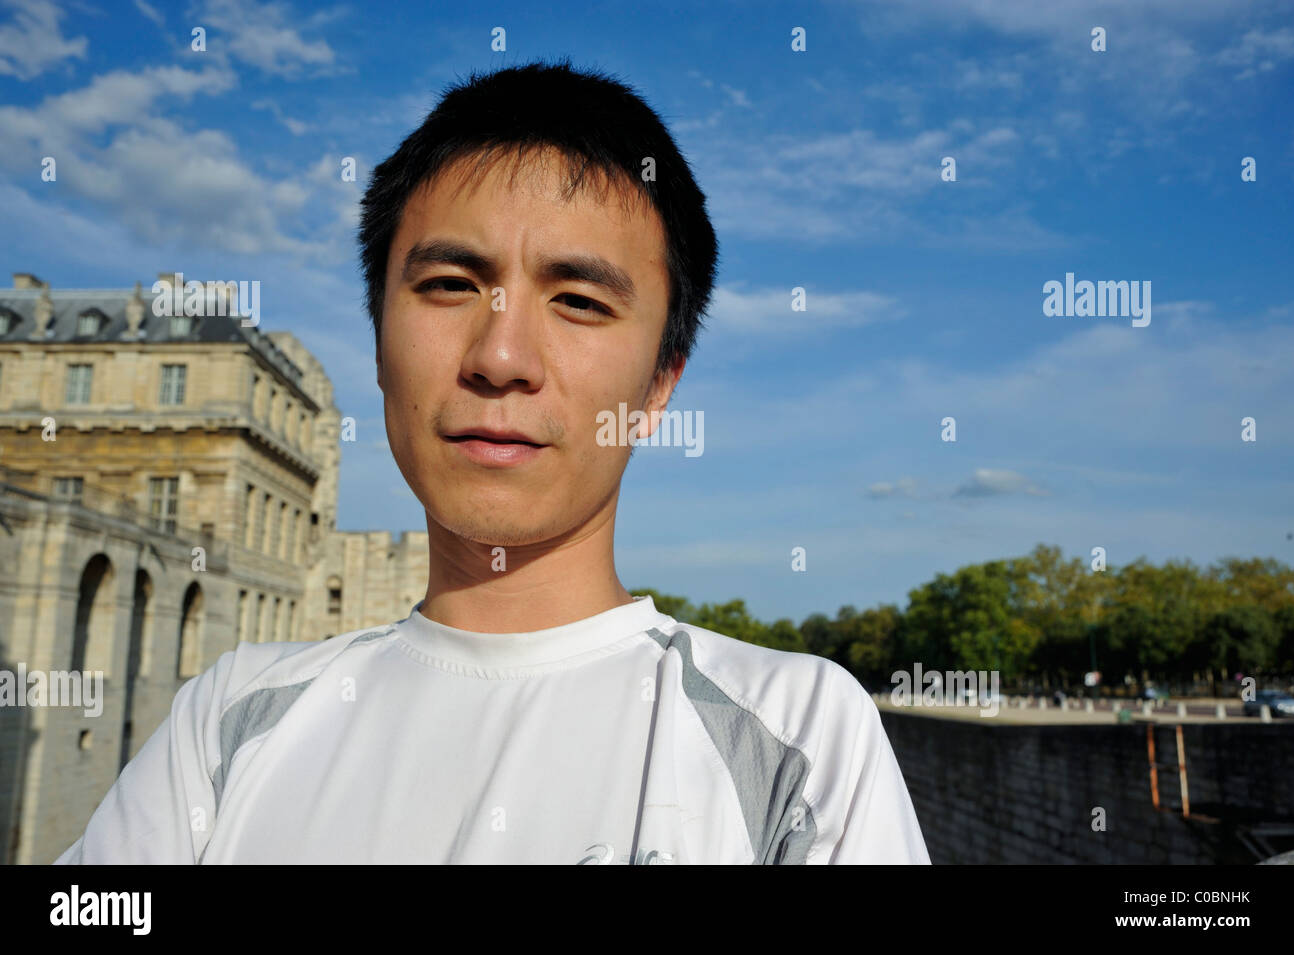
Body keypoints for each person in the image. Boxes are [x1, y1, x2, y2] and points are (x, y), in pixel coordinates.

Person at [56, 59, 929, 865]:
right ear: (377, 342)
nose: (501, 354)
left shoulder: (799, 738)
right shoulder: (224, 720)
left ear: (661, 383)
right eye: (449, 286)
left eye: (579, 300)